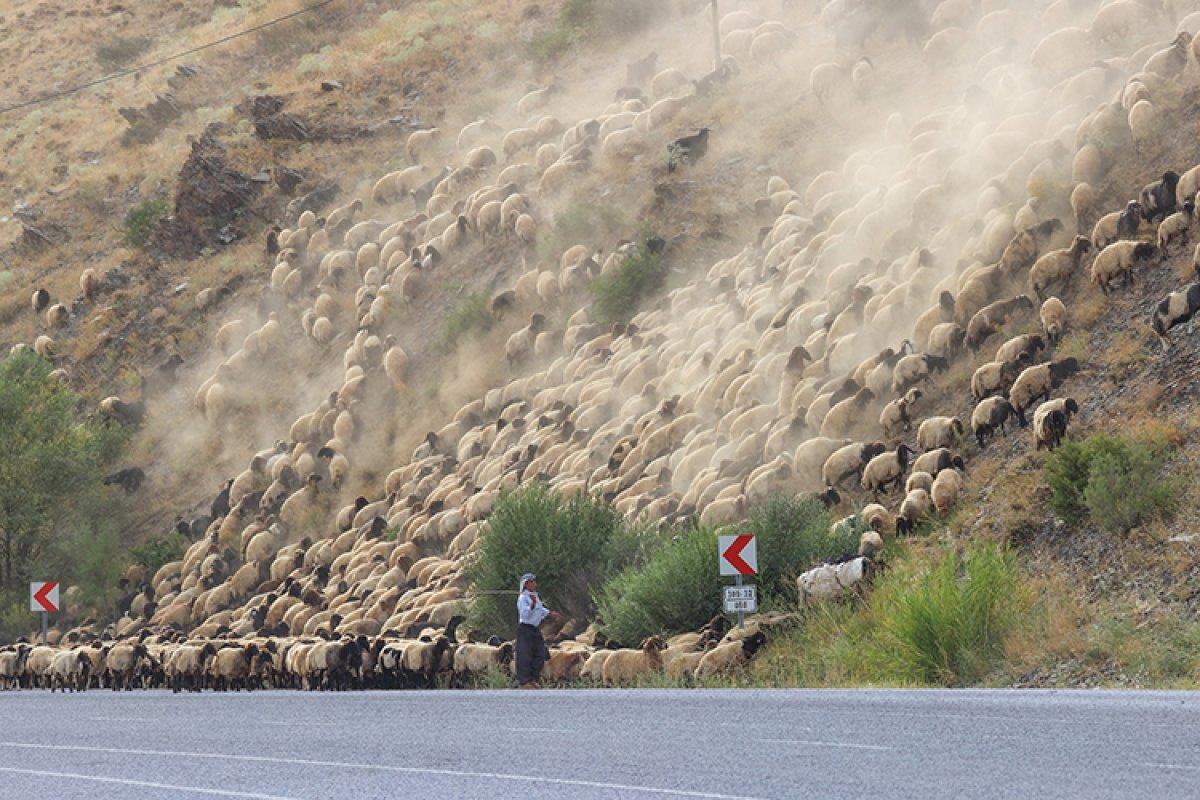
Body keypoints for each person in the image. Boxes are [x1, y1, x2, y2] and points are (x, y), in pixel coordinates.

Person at [515, 573, 559, 688]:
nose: (535, 584)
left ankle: (533, 678)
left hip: (535, 629)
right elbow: (525, 614)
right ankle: (524, 681)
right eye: (532, 582)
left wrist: (549, 613)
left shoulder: (534, 596)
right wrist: (533, 604)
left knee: (540, 653)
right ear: (526, 584)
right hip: (525, 629)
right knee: (525, 655)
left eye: (535, 581)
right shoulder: (523, 598)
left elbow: (540, 609)